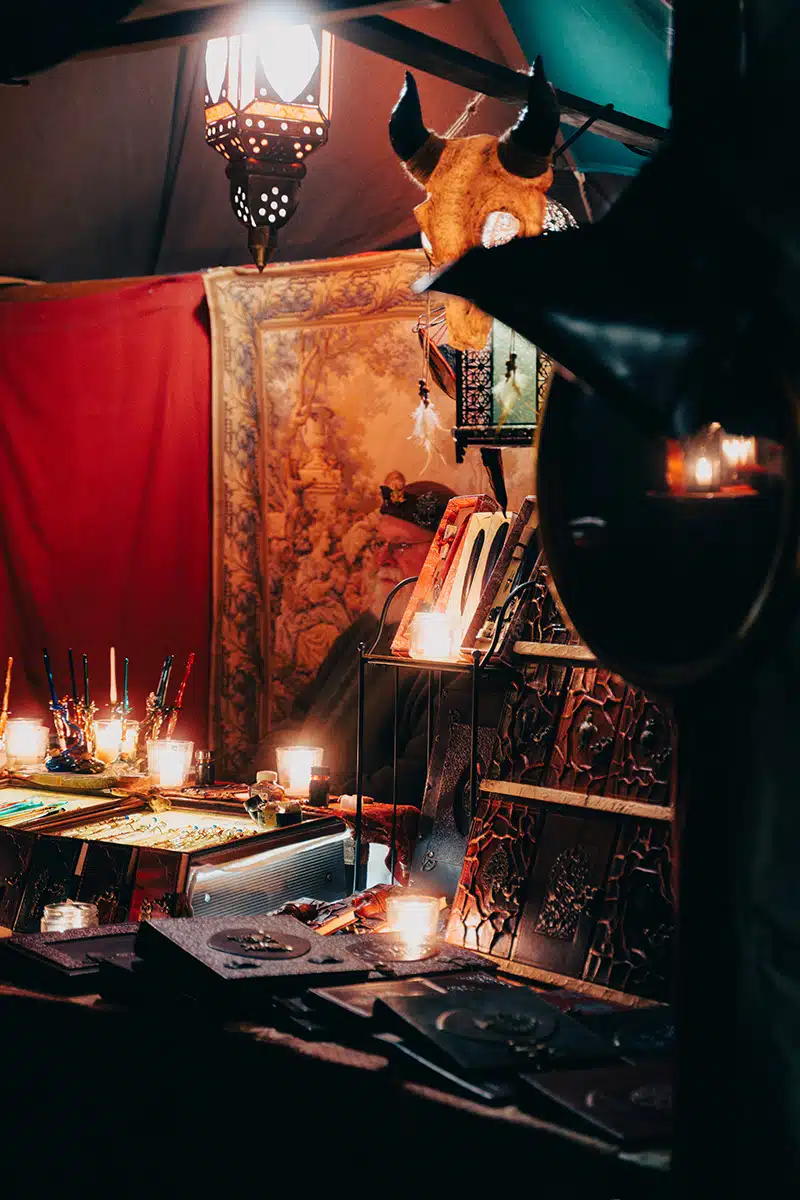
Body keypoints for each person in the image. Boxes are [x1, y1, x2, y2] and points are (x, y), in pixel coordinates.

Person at [252, 473, 455, 807]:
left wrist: (331, 796)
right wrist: (273, 768)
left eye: (401, 546)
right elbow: (300, 716)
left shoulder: (447, 648)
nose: (383, 559)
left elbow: (420, 774)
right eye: (380, 544)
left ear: (442, 553)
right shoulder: (365, 629)